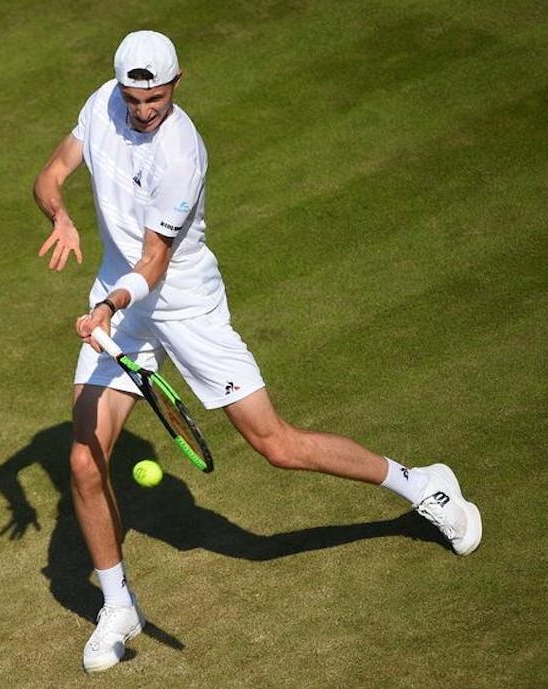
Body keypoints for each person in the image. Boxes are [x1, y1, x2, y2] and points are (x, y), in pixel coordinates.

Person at [32, 29, 483, 674]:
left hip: (183, 310)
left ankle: (421, 485)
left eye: (155, 95)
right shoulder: (102, 102)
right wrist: (61, 216)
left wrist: (107, 307)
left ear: (177, 83)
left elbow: (155, 262)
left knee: (276, 445)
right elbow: (50, 175)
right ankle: (118, 603)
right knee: (82, 462)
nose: (143, 108)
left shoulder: (182, 153)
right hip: (121, 310)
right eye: (134, 96)